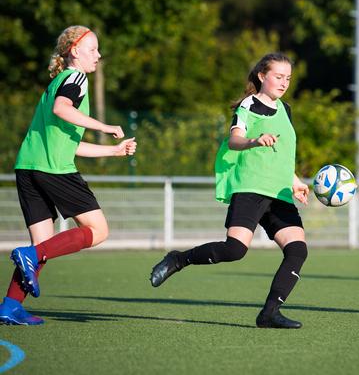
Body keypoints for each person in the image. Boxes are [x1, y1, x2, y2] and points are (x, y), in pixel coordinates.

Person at [150, 52, 310, 329]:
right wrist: (254, 140)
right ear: (262, 76)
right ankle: (179, 259)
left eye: (288, 78)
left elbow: (282, 153)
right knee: (235, 249)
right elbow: (235, 140)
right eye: (278, 76)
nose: (284, 83)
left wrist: (295, 181)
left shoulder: (286, 109)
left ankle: (269, 313)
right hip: (251, 186)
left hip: (279, 191)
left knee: (297, 250)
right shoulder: (250, 105)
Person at [0, 26, 137, 325]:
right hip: (53, 170)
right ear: (74, 51)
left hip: (28, 167)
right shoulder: (76, 77)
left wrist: (112, 151)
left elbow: (69, 144)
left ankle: (10, 306)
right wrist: (105, 127)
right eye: (92, 49)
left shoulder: (58, 81)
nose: (98, 55)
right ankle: (28, 259)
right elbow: (64, 109)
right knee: (98, 230)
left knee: (42, 245)